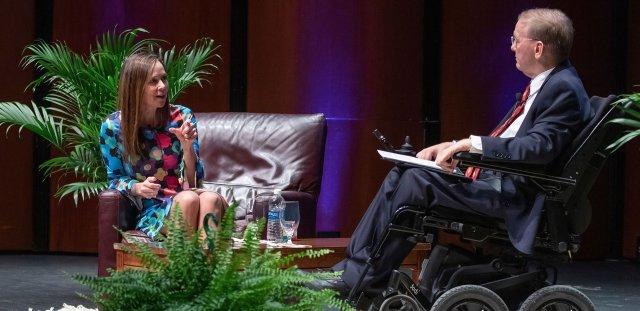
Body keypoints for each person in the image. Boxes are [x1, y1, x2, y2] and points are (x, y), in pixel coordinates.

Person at [329, 8, 593, 297]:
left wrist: (469, 145)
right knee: (403, 172)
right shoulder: (548, 84)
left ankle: (362, 280)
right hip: (499, 182)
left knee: (416, 183)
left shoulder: (563, 88)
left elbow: (537, 149)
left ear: (538, 48)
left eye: (517, 39)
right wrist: (453, 146)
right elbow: (512, 142)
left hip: (514, 197)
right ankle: (353, 272)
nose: (512, 46)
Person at [100, 52, 226, 240]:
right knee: (189, 200)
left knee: (210, 198)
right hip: (155, 209)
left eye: (164, 79)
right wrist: (137, 188)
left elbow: (193, 182)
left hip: (188, 194)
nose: (162, 86)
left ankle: (198, 268)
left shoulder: (182, 116)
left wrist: (187, 147)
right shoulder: (113, 127)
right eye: (153, 81)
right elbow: (114, 179)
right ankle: (195, 268)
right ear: (135, 87)